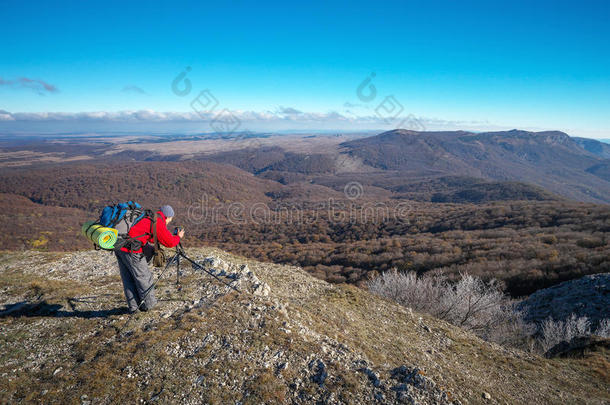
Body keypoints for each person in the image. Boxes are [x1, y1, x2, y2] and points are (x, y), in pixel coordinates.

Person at [115, 205, 185, 313]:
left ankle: (134, 307)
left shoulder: (148, 216)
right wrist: (178, 237)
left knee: (128, 278)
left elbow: (150, 236)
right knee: (144, 278)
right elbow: (170, 242)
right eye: (170, 219)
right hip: (132, 251)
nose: (170, 221)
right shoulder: (159, 223)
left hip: (119, 246)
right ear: (168, 217)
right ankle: (150, 307)